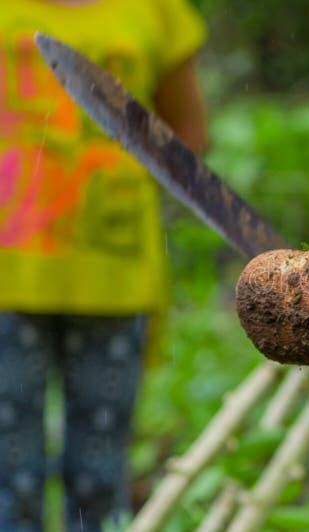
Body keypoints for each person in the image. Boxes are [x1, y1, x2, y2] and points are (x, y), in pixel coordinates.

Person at [0, 0, 207, 530]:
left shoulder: (158, 11)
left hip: (116, 278)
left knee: (99, 479)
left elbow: (187, 140)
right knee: (7, 479)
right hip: (7, 281)